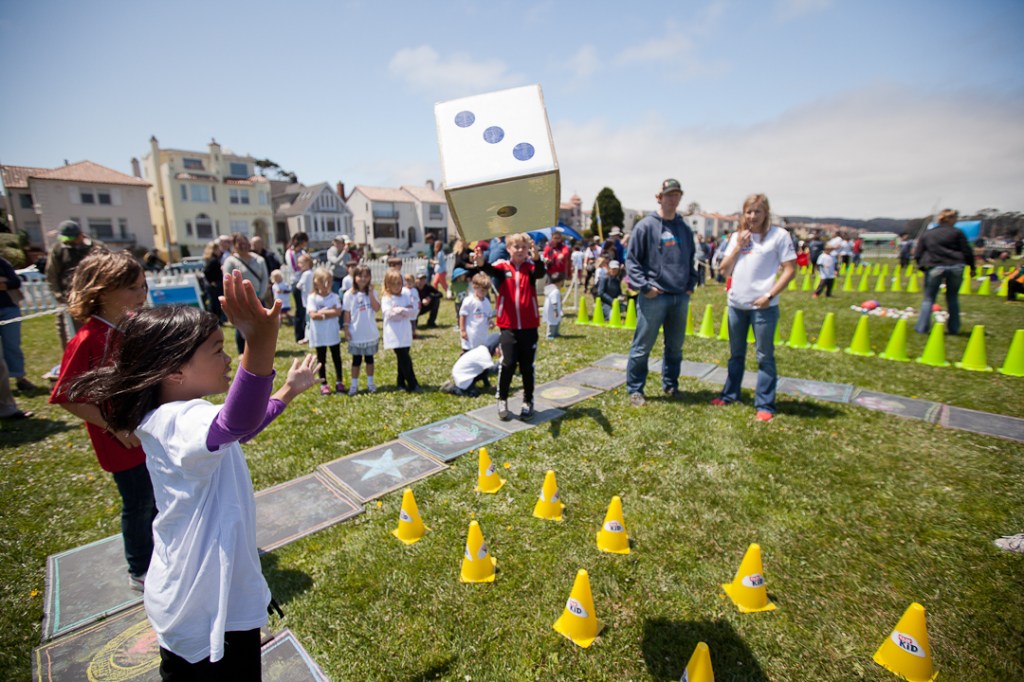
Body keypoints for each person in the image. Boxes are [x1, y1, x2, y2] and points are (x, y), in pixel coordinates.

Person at [65, 272, 320, 675]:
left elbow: (243, 427)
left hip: (203, 595)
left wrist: (287, 391)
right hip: (198, 604)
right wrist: (260, 340)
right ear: (174, 372)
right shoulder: (176, 419)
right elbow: (237, 422)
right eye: (218, 350)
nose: (228, 360)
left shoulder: (184, 418)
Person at [49, 250, 155, 590]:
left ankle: (162, 555)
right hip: (122, 443)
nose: (143, 295)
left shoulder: (130, 329)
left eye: (144, 286)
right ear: (102, 291)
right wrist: (115, 426)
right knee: (138, 503)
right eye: (134, 288)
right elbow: (66, 397)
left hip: (147, 435)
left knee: (155, 500)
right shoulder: (87, 339)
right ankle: (140, 569)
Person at [711, 194, 796, 422]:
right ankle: (730, 394)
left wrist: (769, 295)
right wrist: (738, 246)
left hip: (764, 307)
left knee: (764, 356)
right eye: (749, 211)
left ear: (766, 212)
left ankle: (765, 403)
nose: (753, 216)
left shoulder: (779, 236)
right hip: (737, 305)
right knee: (735, 354)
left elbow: (790, 270)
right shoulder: (738, 236)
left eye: (757, 211)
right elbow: (724, 270)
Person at [624, 178, 697, 406]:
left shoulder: (684, 228)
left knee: (675, 347)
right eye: (669, 195)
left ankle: (671, 384)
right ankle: (635, 389)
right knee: (642, 346)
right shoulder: (646, 226)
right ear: (660, 197)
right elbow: (632, 260)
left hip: (679, 296)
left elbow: (691, 259)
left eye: (677, 195)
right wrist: (645, 287)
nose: (673, 199)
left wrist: (690, 285)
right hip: (654, 297)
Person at [467, 233, 545, 421]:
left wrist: (537, 258)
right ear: (508, 248)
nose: (519, 250)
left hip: (529, 326)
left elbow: (541, 272)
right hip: (508, 326)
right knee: (508, 363)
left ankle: (528, 400)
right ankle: (502, 399)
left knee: (527, 366)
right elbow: (488, 269)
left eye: (523, 247)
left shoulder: (531, 268)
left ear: (528, 250)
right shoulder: (503, 268)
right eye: (515, 246)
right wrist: (480, 261)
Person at [913, 209, 975, 336]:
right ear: (951, 219)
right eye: (955, 218)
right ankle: (954, 329)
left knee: (928, 299)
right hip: (956, 266)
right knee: (952, 298)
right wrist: (972, 267)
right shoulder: (957, 233)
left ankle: (922, 328)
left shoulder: (928, 234)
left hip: (935, 266)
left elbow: (918, 252)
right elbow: (967, 251)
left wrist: (921, 266)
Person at [45, 220, 106, 346]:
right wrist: (59, 296)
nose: (68, 242)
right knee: (69, 335)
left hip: (95, 299)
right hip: (68, 300)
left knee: (98, 333)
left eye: (71, 239)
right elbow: (51, 275)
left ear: (80, 235)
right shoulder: (58, 250)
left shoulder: (96, 248)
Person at [222, 233, 268, 354]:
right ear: (235, 245)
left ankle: (260, 348)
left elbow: (265, 279)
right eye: (240, 243)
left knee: (260, 324)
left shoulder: (259, 260)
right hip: (241, 299)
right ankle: (243, 351)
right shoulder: (231, 261)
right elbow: (228, 281)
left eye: (245, 243)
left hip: (258, 297)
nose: (243, 246)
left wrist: (261, 295)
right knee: (242, 326)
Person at [343, 264, 381, 395]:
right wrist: (346, 328)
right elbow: (347, 313)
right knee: (356, 361)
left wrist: (370, 293)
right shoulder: (349, 294)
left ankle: (370, 383)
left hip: (369, 333)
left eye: (366, 276)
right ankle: (354, 384)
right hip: (356, 333)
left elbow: (376, 308)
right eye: (360, 276)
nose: (363, 279)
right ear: (355, 277)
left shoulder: (372, 292)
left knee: (369, 359)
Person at [307, 267, 345, 395]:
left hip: (332, 332)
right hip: (319, 334)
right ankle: (324, 383)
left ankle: (339, 381)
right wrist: (329, 312)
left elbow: (338, 312)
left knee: (336, 357)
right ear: (316, 282)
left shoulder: (334, 296)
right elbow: (313, 315)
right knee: (321, 359)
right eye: (323, 282)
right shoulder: (312, 298)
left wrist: (322, 312)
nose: (326, 285)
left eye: (329, 281)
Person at [381, 270, 421, 392]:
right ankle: (413, 382)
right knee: (404, 357)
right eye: (394, 284)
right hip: (394, 333)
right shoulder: (387, 298)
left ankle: (401, 383)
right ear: (387, 285)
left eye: (399, 283)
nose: (397, 286)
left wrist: (400, 310)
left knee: (403, 358)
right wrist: (403, 311)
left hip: (405, 331)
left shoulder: (405, 295)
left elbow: (413, 311)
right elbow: (389, 314)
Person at [1, 255, 35, 391]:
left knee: (12, 345)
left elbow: (15, 282)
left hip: (9, 309)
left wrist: (4, 284)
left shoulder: (2, 262)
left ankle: (19, 378)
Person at [440, 333, 501, 397]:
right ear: (496, 348)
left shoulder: (483, 349)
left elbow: (485, 371)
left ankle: (482, 385)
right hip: (462, 376)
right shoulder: (485, 355)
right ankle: (451, 388)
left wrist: (488, 385)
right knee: (473, 394)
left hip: (466, 372)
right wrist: (504, 359)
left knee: (485, 370)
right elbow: (494, 370)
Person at [285, 232, 310, 343]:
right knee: (299, 310)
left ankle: (306, 333)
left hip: (304, 282)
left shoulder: (302, 252)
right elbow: (295, 268)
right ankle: (299, 335)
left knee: (305, 309)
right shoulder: (290, 253)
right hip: (297, 283)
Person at [459, 272, 494, 351]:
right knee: (467, 356)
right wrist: (463, 330)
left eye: (485, 290)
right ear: (475, 287)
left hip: (482, 336)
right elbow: (462, 315)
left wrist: (490, 322)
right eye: (481, 290)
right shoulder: (469, 301)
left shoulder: (487, 302)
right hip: (470, 336)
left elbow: (488, 316)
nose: (483, 292)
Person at [202, 240, 226, 324]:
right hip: (214, 286)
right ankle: (215, 320)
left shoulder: (212, 259)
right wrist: (211, 281)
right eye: (218, 249)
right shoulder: (213, 260)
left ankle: (217, 320)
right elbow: (206, 271)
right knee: (215, 304)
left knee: (214, 303)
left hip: (214, 285)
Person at [295, 254, 315, 344]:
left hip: (307, 300)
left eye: (301, 263)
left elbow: (298, 286)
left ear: (307, 263)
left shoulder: (305, 274)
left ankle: (307, 337)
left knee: (308, 321)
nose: (299, 265)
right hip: (312, 299)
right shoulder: (312, 272)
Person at [543, 271, 564, 340]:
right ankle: (550, 334)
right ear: (559, 282)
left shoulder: (553, 289)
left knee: (557, 321)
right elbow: (554, 301)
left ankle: (556, 333)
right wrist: (555, 310)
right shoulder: (555, 291)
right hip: (552, 310)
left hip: (555, 309)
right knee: (552, 322)